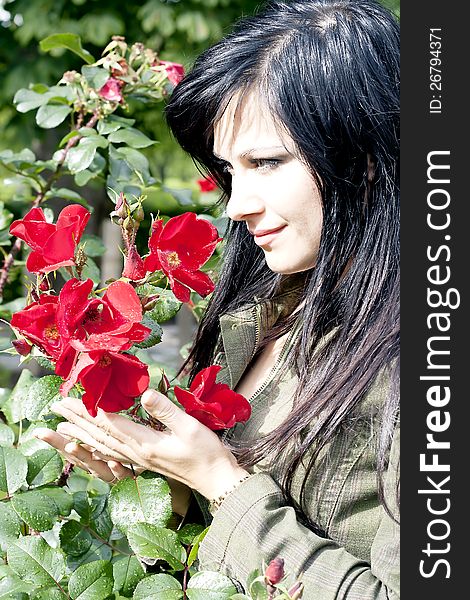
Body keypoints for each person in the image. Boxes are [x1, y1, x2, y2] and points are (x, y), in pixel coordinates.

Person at [35, 0, 400, 597]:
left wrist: (221, 481)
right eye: (232, 171)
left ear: (361, 158)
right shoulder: (266, 312)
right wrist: (165, 482)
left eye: (267, 162)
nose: (236, 205)